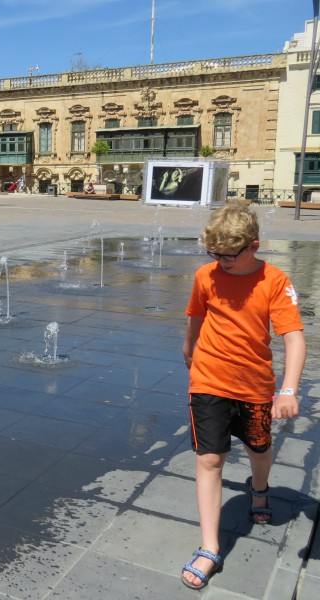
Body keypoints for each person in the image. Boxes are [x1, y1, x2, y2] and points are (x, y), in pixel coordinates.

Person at [180, 202, 305, 590]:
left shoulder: (275, 280)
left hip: (254, 386)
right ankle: (210, 547)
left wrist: (288, 389)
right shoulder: (206, 275)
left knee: (258, 448)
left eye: (228, 256)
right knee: (210, 458)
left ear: (254, 245)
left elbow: (294, 338)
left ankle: (260, 488)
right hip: (209, 379)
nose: (220, 262)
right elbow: (197, 318)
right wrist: (189, 349)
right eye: (213, 253)